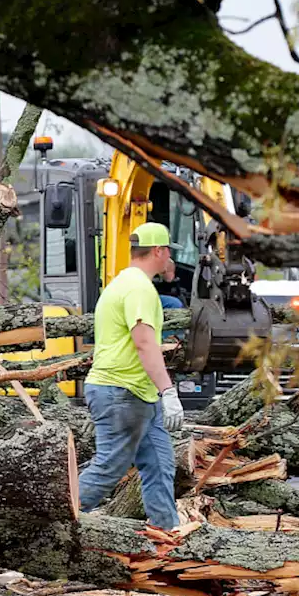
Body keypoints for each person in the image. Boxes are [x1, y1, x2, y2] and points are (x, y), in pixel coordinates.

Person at [77, 222, 184, 531]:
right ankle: (50, 523)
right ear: (159, 251)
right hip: (121, 391)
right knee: (110, 466)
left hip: (137, 394)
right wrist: (169, 390)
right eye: (168, 253)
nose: (169, 259)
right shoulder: (139, 289)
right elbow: (144, 342)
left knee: (161, 465)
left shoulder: (124, 282)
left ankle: (168, 536)